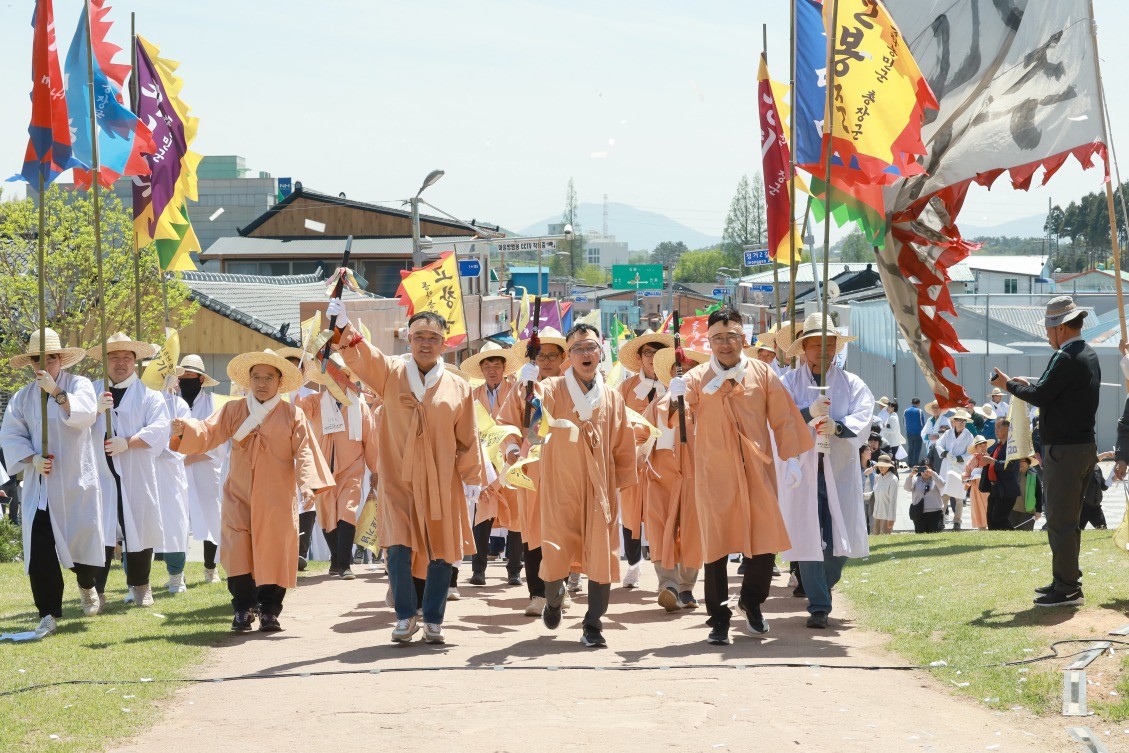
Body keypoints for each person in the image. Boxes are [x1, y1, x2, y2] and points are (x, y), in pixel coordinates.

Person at [328, 301, 484, 644]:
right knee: (398, 546)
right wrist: (342, 325)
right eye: (418, 336)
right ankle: (404, 615)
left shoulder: (459, 388)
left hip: (442, 479)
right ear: (407, 339)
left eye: (432, 337)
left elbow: (468, 438)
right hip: (398, 477)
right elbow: (360, 355)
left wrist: (473, 478)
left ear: (444, 343)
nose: (425, 343)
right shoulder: (391, 373)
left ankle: (433, 620)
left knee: (441, 550)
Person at [668, 308, 811, 645]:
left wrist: (790, 459)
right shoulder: (695, 378)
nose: (725, 344)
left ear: (742, 338)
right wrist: (673, 398)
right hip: (713, 474)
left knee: (764, 546)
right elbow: (676, 418)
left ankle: (751, 602)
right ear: (709, 342)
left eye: (731, 336)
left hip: (757, 471)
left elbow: (784, 418)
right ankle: (718, 618)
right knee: (715, 550)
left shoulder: (762, 373)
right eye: (717, 338)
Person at [171, 348, 333, 632]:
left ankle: (270, 610)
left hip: (277, 496)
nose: (261, 383)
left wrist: (308, 483)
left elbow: (305, 451)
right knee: (237, 550)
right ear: (248, 380)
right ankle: (243, 609)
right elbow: (209, 431)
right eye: (256, 377)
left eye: (268, 377)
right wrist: (184, 428)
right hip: (239, 493)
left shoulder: (292, 414)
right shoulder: (234, 410)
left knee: (275, 549)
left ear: (279, 381)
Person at [506, 323, 637, 647]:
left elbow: (623, 443)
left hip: (600, 490)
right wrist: (529, 388)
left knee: (602, 556)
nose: (585, 354)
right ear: (570, 357)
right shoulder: (550, 390)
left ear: (600, 352)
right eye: (578, 349)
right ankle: (553, 598)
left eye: (591, 347)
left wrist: (620, 482)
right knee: (554, 554)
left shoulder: (612, 397)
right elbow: (534, 431)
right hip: (559, 486)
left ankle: (593, 624)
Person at [992, 295, 1099, 608]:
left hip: (1063, 451)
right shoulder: (1087, 353)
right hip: (1082, 448)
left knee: (1060, 520)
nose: (1047, 334)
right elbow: (1057, 390)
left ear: (1060, 329)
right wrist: (1027, 385)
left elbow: (1041, 395)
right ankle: (1066, 581)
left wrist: (1007, 384)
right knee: (1068, 519)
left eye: (1049, 329)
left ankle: (1066, 588)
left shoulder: (1066, 357)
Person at [0, 329, 103, 637]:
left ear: (61, 359)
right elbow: (11, 435)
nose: (44, 363)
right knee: (41, 550)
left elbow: (85, 416)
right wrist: (31, 459)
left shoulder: (80, 385)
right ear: (31, 362)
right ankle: (47, 613)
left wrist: (57, 391)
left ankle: (87, 585)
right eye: (38, 358)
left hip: (74, 482)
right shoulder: (22, 397)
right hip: (41, 486)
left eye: (51, 357)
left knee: (81, 545)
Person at [780, 312, 873, 630]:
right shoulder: (789, 382)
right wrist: (807, 412)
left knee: (838, 534)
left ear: (836, 346)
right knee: (808, 534)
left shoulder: (852, 384)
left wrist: (838, 426)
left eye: (829, 343)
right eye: (816, 344)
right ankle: (818, 604)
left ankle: (827, 582)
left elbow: (863, 417)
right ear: (804, 347)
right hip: (803, 470)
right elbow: (777, 419)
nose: (823, 350)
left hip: (839, 469)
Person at [89, 333, 168, 608]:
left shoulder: (149, 396)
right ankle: (95, 589)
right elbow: (74, 424)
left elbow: (159, 429)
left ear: (135, 362)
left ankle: (141, 585)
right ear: (105, 361)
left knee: (140, 526)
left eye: (126, 358)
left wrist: (129, 442)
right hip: (101, 470)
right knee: (101, 528)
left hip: (135, 469)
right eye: (114, 357)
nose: (120, 363)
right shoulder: (92, 392)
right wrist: (95, 412)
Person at [497, 327, 569, 617]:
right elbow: (505, 424)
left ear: (563, 358)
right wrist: (512, 449)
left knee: (562, 532)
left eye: (552, 356)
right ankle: (537, 593)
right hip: (532, 468)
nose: (546, 362)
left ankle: (559, 589)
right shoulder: (521, 388)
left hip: (566, 468)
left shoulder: (571, 387)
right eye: (541, 356)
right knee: (534, 531)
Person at [297, 363, 380, 581]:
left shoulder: (359, 405)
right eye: (331, 375)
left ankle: (345, 564)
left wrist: (375, 469)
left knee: (347, 511)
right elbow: (295, 411)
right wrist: (294, 385)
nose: (335, 379)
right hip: (321, 469)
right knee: (326, 517)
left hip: (352, 468)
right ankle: (336, 558)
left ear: (347, 378)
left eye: (340, 375)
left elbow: (369, 439)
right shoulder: (315, 401)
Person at [643, 347, 710, 611]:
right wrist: (673, 402)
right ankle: (667, 584)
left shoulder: (705, 404)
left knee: (694, 530)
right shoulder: (658, 404)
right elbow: (641, 434)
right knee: (661, 528)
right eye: (678, 369)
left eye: (691, 368)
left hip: (696, 476)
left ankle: (686, 587)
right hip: (662, 477)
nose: (684, 373)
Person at [460, 342, 525, 587]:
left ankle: (514, 570)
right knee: (483, 517)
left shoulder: (516, 391)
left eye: (496, 366)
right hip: (484, 464)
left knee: (516, 517)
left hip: (511, 459)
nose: (492, 370)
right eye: (487, 366)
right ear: (481, 370)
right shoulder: (473, 396)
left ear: (504, 368)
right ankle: (478, 570)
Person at [614, 332, 673, 590]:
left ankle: (667, 571)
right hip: (633, 458)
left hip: (665, 457)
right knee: (630, 514)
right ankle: (633, 566)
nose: (652, 358)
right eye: (648, 352)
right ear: (640, 357)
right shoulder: (625, 389)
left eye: (658, 353)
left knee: (664, 513)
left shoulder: (674, 385)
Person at [175, 355, 226, 584]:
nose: (186, 379)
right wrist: (181, 456)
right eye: (182, 375)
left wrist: (192, 455)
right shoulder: (172, 401)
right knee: (178, 518)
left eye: (191, 375)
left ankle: (210, 568)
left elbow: (220, 441)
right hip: (177, 468)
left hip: (207, 467)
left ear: (201, 379)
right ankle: (177, 573)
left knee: (211, 515)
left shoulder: (214, 404)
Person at [155, 387, 192, 595]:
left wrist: (167, 441)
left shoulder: (178, 405)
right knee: (137, 525)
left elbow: (185, 442)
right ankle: (137, 583)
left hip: (170, 472)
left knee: (174, 522)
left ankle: (176, 577)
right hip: (143, 468)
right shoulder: (141, 399)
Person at [936, 408, 974, 531]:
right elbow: (938, 444)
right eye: (959, 420)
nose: (962, 423)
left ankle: (957, 521)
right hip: (947, 466)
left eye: (964, 421)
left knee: (959, 496)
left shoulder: (969, 435)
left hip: (960, 468)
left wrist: (960, 458)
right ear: (954, 421)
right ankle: (940, 519)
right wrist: (946, 453)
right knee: (944, 494)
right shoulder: (947, 433)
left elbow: (971, 452)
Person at [980, 419, 1019, 531]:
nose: (996, 430)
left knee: (998, 518)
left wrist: (992, 461)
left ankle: (1014, 537)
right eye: (995, 428)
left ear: (1007, 429)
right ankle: (994, 543)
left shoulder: (1012, 446)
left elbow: (1010, 465)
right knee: (990, 519)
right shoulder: (999, 445)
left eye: (998, 427)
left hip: (1006, 488)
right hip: (995, 487)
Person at [906, 466, 945, 533]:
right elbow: (907, 488)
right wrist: (911, 475)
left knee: (935, 535)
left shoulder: (935, 479)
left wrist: (933, 474)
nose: (925, 472)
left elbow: (942, 485)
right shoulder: (915, 480)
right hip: (919, 513)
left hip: (935, 513)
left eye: (927, 469)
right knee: (920, 536)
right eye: (922, 470)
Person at [963, 435, 990, 530]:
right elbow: (965, 476)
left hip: (989, 487)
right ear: (976, 447)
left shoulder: (991, 458)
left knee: (990, 509)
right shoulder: (971, 461)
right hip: (976, 489)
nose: (983, 446)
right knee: (978, 511)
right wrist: (969, 479)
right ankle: (981, 530)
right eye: (980, 445)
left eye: (984, 444)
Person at [1009, 456, 1043, 530]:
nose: (1021, 463)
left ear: (1028, 463)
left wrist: (1039, 511)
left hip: (1028, 512)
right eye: (1019, 461)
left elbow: (1039, 494)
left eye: (1023, 461)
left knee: (1026, 534)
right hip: (1013, 510)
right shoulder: (1013, 473)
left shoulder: (1034, 475)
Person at [870, 454, 898, 535]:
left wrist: (891, 518)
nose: (881, 467)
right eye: (879, 465)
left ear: (889, 466)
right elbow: (875, 493)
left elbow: (893, 500)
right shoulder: (878, 477)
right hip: (876, 514)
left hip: (886, 516)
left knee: (884, 540)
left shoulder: (893, 479)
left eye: (883, 466)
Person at [904, 397, 925, 466]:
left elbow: (904, 422)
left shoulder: (906, 411)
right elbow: (922, 423)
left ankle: (909, 463)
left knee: (911, 448)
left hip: (909, 433)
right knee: (917, 449)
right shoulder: (919, 411)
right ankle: (914, 464)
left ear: (911, 403)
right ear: (919, 404)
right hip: (918, 433)